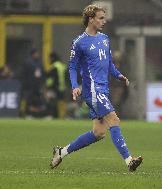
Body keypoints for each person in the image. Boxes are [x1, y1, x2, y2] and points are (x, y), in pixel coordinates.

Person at [50, 4, 143, 172]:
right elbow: (72, 67)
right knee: (114, 120)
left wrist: (119, 75)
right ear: (90, 19)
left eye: (104, 18)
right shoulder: (79, 42)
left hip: (103, 89)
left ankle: (61, 152)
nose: (104, 21)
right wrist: (74, 86)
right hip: (93, 90)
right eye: (100, 18)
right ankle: (129, 160)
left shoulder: (105, 39)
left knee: (98, 133)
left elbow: (108, 63)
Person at [46, 52, 67, 118]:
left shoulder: (54, 66)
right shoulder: (62, 66)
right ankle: (62, 116)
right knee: (61, 102)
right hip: (63, 87)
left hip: (54, 87)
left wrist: (49, 87)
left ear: (52, 58)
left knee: (52, 101)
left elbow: (51, 78)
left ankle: (52, 115)